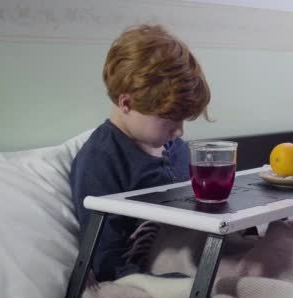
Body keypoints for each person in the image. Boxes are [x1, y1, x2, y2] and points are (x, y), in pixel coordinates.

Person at [70, 24, 210, 282]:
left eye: (182, 120)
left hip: (201, 251)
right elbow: (104, 258)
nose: (178, 131)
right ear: (127, 103)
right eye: (169, 120)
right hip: (152, 270)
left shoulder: (176, 148)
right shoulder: (101, 159)